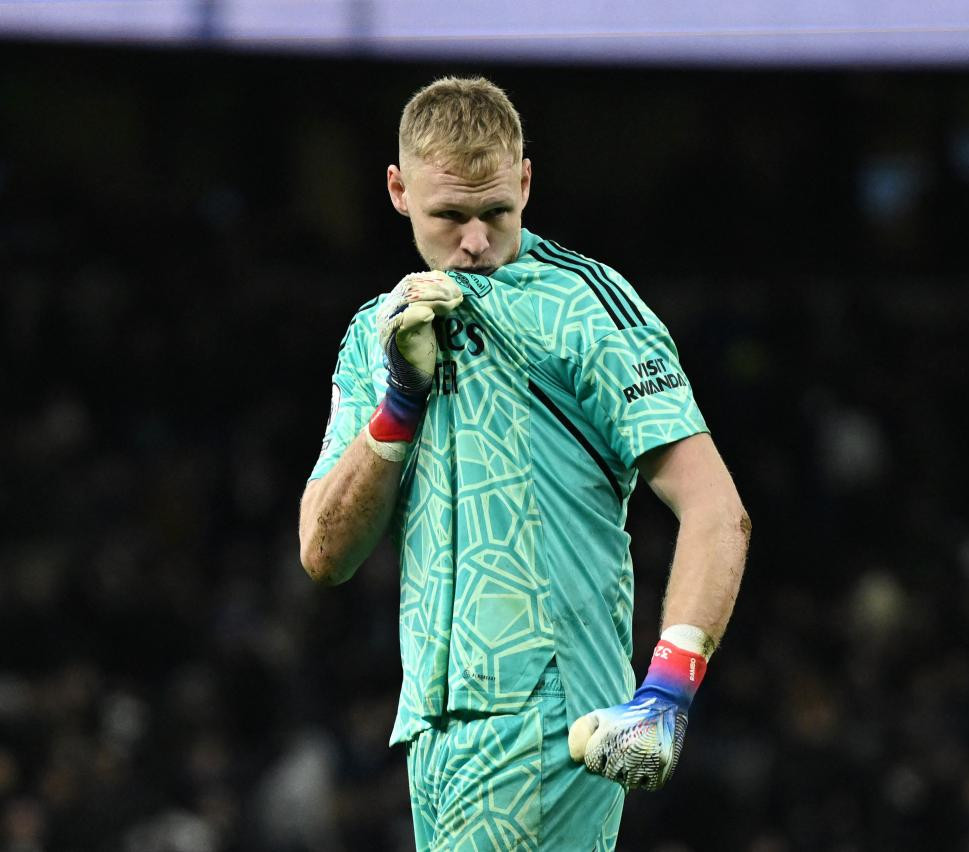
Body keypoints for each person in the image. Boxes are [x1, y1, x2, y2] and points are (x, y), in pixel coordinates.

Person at [299, 76, 750, 851]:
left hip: (543, 717)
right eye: (449, 216)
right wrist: (398, 405)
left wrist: (667, 693)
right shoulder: (377, 331)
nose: (474, 242)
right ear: (398, 191)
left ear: (528, 183)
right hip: (431, 733)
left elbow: (717, 509)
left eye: (496, 214)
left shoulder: (589, 308)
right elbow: (324, 553)